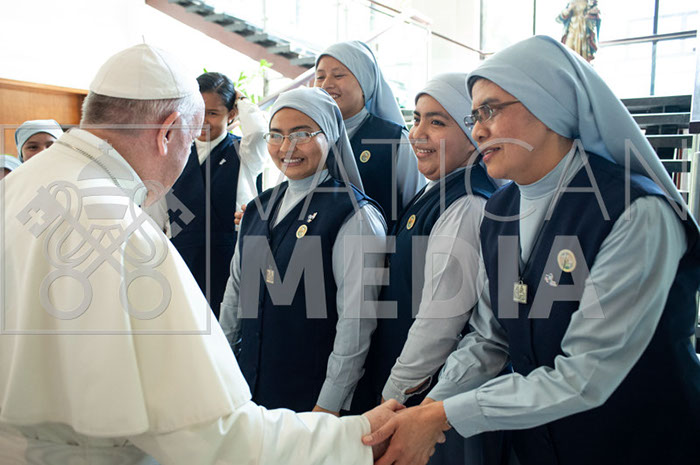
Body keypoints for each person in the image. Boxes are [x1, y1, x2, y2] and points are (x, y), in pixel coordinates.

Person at [0, 43, 402, 465]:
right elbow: (212, 437)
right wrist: (352, 437)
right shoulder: (123, 233)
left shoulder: (19, 187)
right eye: (190, 140)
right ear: (168, 132)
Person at [363, 35, 700, 465]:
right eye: (474, 115)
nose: (477, 129)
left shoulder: (633, 212)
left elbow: (586, 375)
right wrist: (425, 409)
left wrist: (441, 416)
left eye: (490, 110)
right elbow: (490, 337)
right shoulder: (501, 210)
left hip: (640, 444)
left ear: (548, 104)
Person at [368, 73, 510, 465]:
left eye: (436, 121)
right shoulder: (442, 189)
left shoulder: (467, 203)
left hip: (431, 403)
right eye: (416, 119)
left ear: (472, 132)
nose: (417, 133)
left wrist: (392, 394)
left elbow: (440, 322)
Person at [219, 86, 387, 417]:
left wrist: (328, 404)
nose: (287, 147)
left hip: (313, 400)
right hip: (249, 389)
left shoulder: (354, 216)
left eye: (302, 134)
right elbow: (234, 298)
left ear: (331, 136)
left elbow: (356, 325)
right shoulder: (258, 208)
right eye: (276, 135)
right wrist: (219, 368)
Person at [143, 72, 268, 319]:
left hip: (228, 259)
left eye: (213, 113)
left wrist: (241, 100)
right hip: (182, 257)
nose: (203, 121)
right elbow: (154, 211)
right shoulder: (175, 151)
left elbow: (258, 131)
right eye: (198, 111)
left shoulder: (244, 153)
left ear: (231, 115)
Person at [315, 40, 425, 230]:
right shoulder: (311, 137)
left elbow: (415, 212)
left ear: (364, 82)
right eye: (320, 76)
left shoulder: (395, 141)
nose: (326, 84)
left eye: (338, 75)